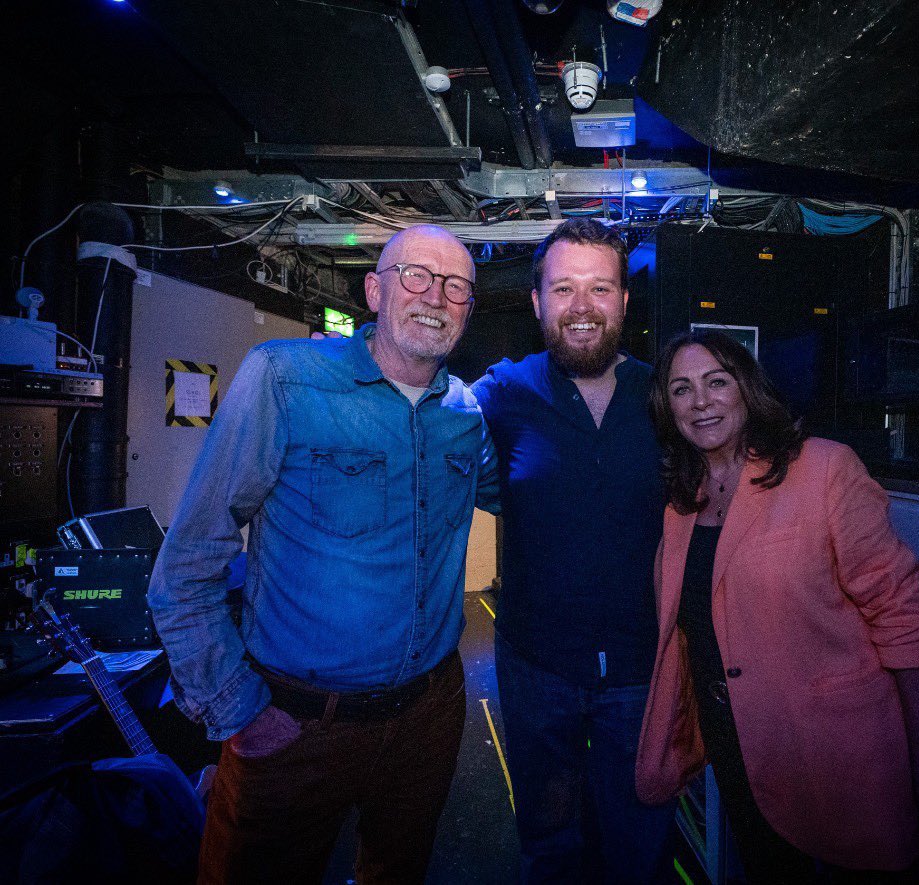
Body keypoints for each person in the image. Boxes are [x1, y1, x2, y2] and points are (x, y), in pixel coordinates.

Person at [148, 224, 499, 885]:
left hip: (426, 721)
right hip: (296, 726)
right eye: (416, 276)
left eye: (457, 286)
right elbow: (188, 561)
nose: (436, 296)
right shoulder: (284, 377)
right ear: (374, 289)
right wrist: (236, 710)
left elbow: (526, 492)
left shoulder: (464, 411)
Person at [636, 329, 919, 883]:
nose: (700, 401)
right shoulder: (682, 501)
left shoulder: (824, 470)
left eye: (717, 382)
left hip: (837, 751)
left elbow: (905, 614)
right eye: (681, 389)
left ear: (747, 388)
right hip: (738, 748)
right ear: (667, 408)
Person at [471, 218, 675, 883]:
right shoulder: (502, 393)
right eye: (564, 289)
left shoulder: (664, 395)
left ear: (623, 300)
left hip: (644, 668)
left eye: (599, 288)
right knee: (551, 843)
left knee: (638, 846)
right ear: (537, 303)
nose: (582, 308)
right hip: (539, 668)